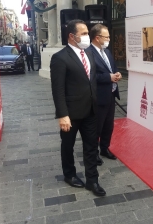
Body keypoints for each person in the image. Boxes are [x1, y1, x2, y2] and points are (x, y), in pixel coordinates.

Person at [50, 19, 106, 197]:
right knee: (68, 146)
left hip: (90, 110)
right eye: (83, 34)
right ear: (71, 36)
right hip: (71, 114)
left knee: (91, 146)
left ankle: (92, 181)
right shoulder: (60, 58)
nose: (87, 37)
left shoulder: (89, 53)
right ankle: (70, 174)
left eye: (87, 33)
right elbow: (57, 89)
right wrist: (63, 115)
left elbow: (92, 80)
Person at [86, 24, 121, 166]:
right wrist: (108, 77)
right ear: (97, 37)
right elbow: (89, 76)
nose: (109, 39)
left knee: (108, 126)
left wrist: (117, 73)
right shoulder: (88, 53)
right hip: (98, 97)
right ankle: (93, 153)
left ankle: (105, 148)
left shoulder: (106, 51)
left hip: (111, 94)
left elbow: (112, 67)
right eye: (106, 37)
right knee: (97, 127)